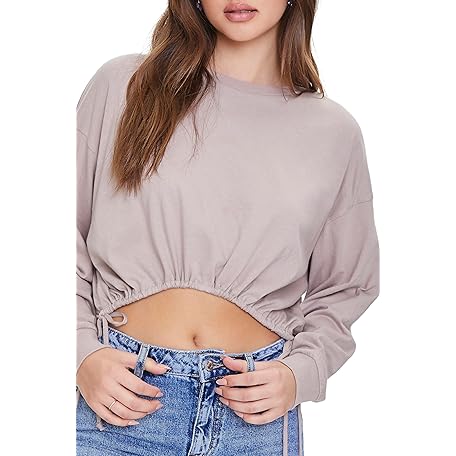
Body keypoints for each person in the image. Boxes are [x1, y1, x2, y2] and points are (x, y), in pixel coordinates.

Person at [75, 1, 380, 455]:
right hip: (119, 403)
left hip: (254, 422)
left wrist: (300, 374)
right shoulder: (124, 86)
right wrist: (80, 351)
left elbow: (347, 286)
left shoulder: (334, 132)